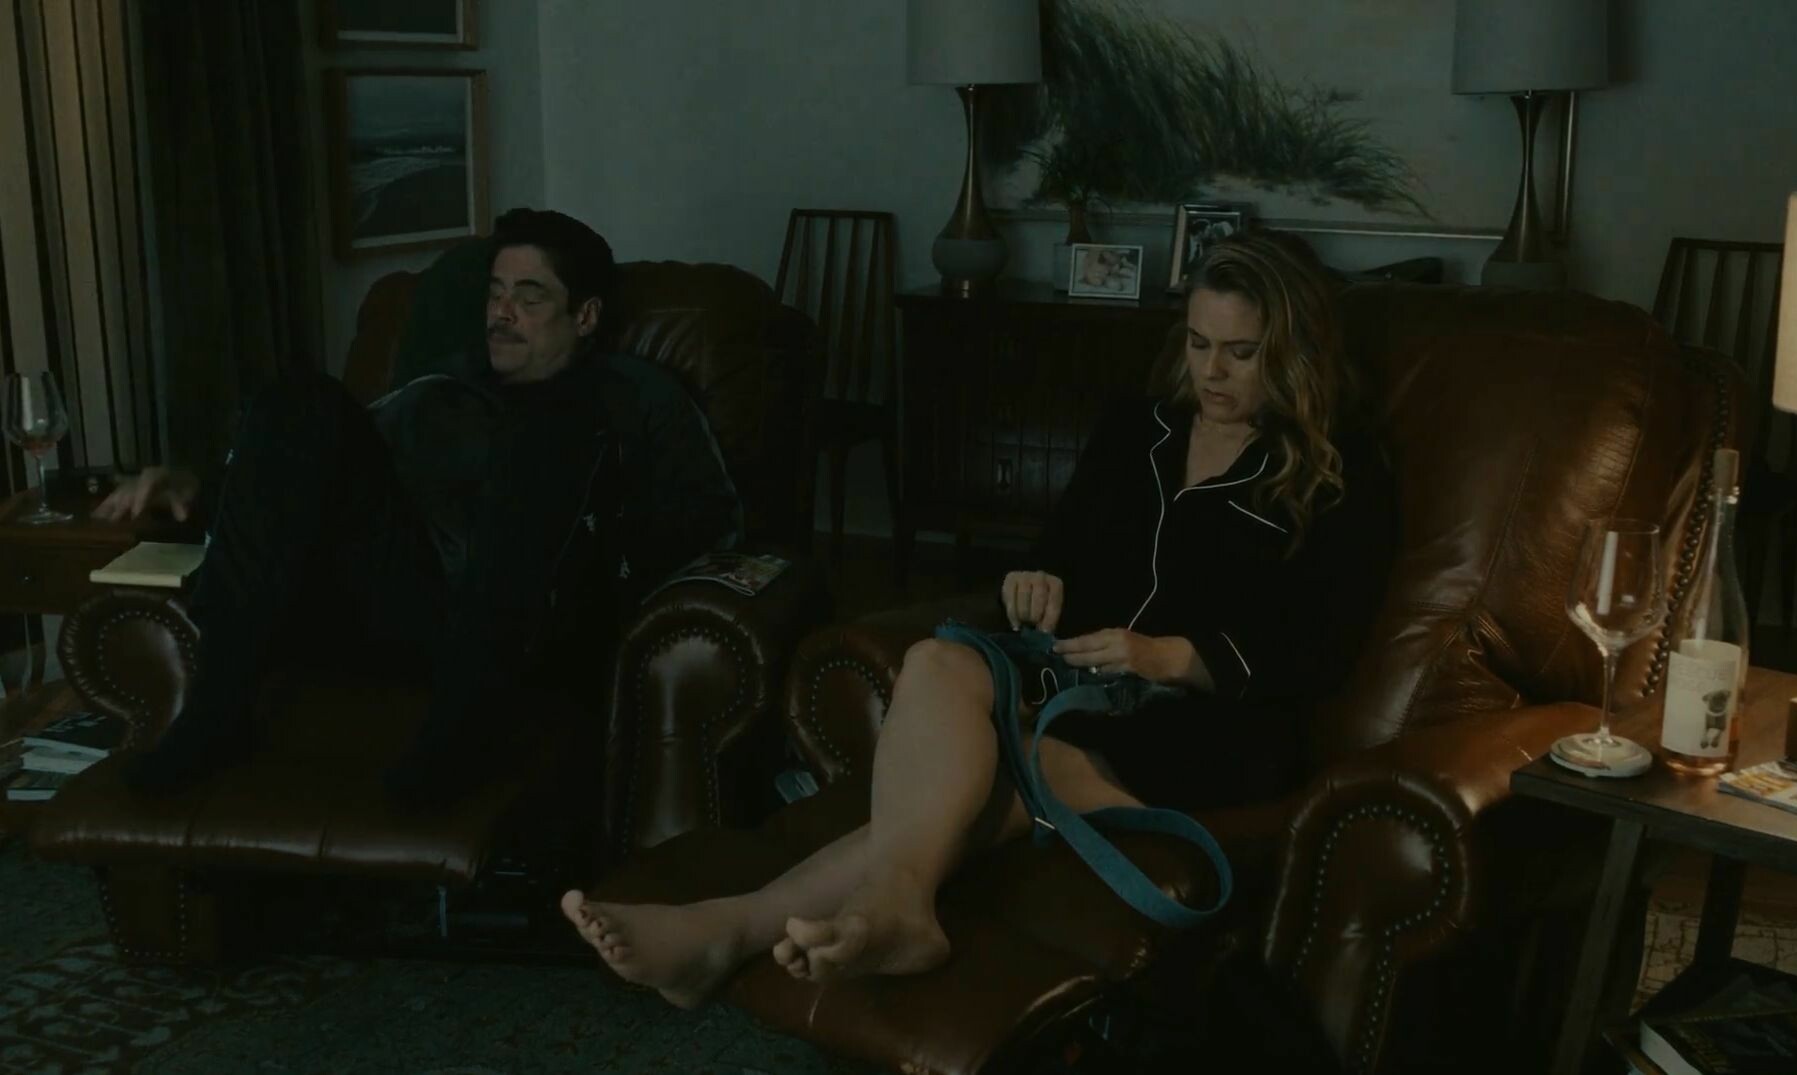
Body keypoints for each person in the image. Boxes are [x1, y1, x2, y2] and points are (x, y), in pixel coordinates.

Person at [559, 231, 1396, 1006]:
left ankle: (730, 928)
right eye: (1198, 343)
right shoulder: (1138, 426)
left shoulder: (1338, 470)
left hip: (1209, 724)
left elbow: (1318, 648)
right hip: (1077, 678)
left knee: (993, 783)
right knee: (938, 662)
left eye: (1242, 353)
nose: (1212, 371)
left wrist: (1167, 655)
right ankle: (891, 908)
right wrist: (1034, 580)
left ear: (1292, 350)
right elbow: (1058, 548)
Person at [95, 208, 742, 807]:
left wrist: (616, 567)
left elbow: (710, 522)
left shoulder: (637, 397)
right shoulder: (441, 387)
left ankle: (460, 734)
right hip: (415, 598)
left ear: (586, 316)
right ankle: (216, 708)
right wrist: (200, 492)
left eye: (529, 297)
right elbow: (318, 476)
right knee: (299, 398)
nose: (502, 313)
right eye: (495, 293)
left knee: (545, 431)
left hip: (531, 626)